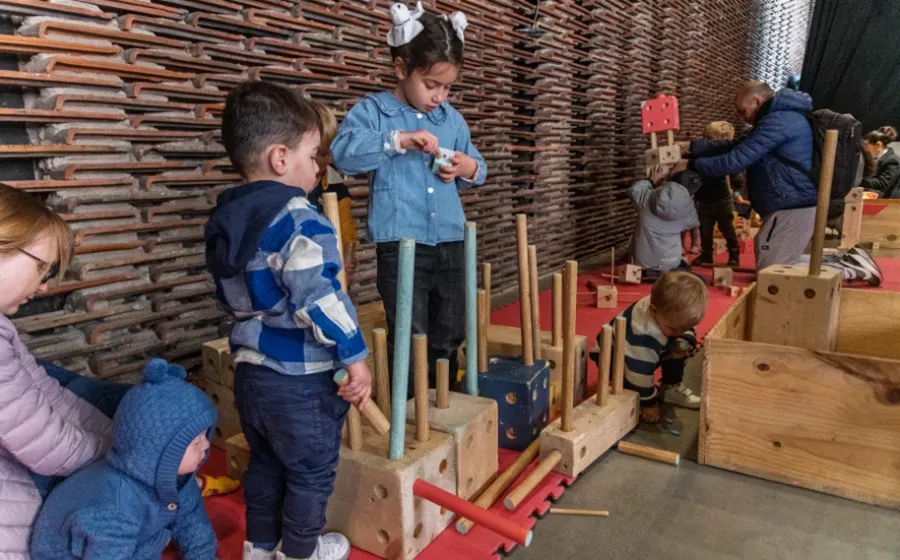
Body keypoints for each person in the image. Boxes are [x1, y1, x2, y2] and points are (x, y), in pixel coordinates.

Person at [205, 80, 372, 560]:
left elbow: (234, 300)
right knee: (309, 473)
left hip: (251, 375)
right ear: (281, 158)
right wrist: (354, 355)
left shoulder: (228, 219)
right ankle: (300, 553)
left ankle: (259, 550)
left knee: (266, 466)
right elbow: (318, 296)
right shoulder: (300, 218)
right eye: (313, 154)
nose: (318, 167)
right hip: (301, 383)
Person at [332, 2, 487, 397]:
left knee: (450, 332)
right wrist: (397, 140)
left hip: (451, 241)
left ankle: (441, 404)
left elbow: (478, 169)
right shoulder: (375, 112)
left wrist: (465, 166)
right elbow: (344, 155)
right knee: (410, 332)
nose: (439, 96)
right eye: (431, 85)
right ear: (401, 69)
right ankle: (411, 409)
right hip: (401, 247)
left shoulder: (451, 120)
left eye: (448, 87)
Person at [30, 360, 218, 559]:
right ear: (158, 451)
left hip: (129, 542)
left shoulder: (180, 480)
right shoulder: (117, 505)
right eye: (196, 443)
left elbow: (193, 523)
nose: (206, 445)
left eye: (207, 435)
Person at [682, 81, 818, 271]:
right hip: (789, 202)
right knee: (773, 260)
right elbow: (736, 145)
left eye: (741, 111)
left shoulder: (778, 121)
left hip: (792, 205)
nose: (742, 118)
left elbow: (735, 159)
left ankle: (847, 267)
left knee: (772, 271)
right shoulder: (777, 118)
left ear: (755, 101)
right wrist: (691, 147)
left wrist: (688, 164)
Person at [591, 272, 707, 423]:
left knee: (676, 346)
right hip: (614, 354)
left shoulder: (667, 312)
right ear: (653, 311)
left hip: (650, 346)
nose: (680, 332)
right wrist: (649, 403)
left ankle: (670, 387)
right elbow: (639, 375)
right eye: (674, 329)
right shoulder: (644, 338)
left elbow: (683, 327)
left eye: (685, 327)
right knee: (629, 382)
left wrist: (686, 339)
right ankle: (636, 397)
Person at [306, 100, 359, 286]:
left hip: (331, 277)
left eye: (331, 153)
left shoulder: (336, 186)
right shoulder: (284, 188)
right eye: (321, 153)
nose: (328, 160)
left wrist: (347, 257)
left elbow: (346, 230)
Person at [627, 164, 700, 277]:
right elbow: (693, 223)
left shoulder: (649, 196)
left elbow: (634, 190)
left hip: (643, 264)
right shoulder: (688, 208)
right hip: (671, 262)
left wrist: (651, 181)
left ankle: (651, 271)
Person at [691, 121, 742, 268]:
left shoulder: (725, 156)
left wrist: (736, 180)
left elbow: (735, 172)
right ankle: (707, 254)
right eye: (705, 138)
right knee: (705, 230)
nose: (705, 141)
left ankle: (734, 254)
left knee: (727, 228)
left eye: (709, 139)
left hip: (722, 199)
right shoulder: (700, 154)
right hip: (704, 199)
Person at [860, 126, 900, 198]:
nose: (866, 152)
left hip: (890, 202)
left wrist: (860, 180)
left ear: (878, 145)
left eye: (868, 148)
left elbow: (882, 184)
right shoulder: (877, 159)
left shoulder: (892, 161)